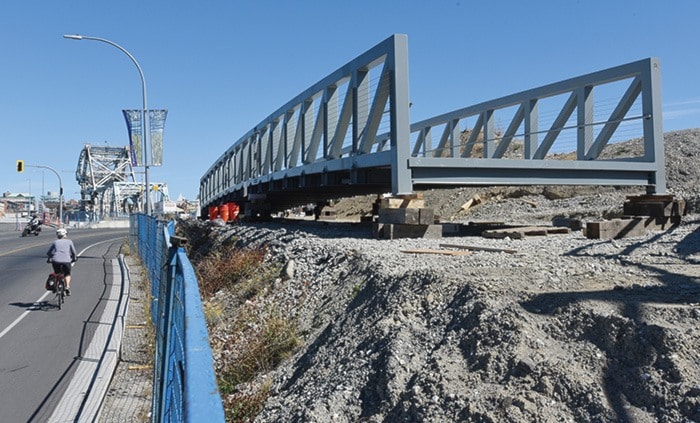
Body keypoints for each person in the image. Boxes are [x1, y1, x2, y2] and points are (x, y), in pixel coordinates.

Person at [46, 228, 77, 295]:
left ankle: (56, 286)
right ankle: (67, 286)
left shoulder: (55, 242)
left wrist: (50, 258)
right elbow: (74, 252)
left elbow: (48, 253)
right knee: (67, 274)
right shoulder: (69, 241)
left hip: (56, 261)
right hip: (66, 261)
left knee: (57, 273)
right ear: (64, 235)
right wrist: (74, 258)